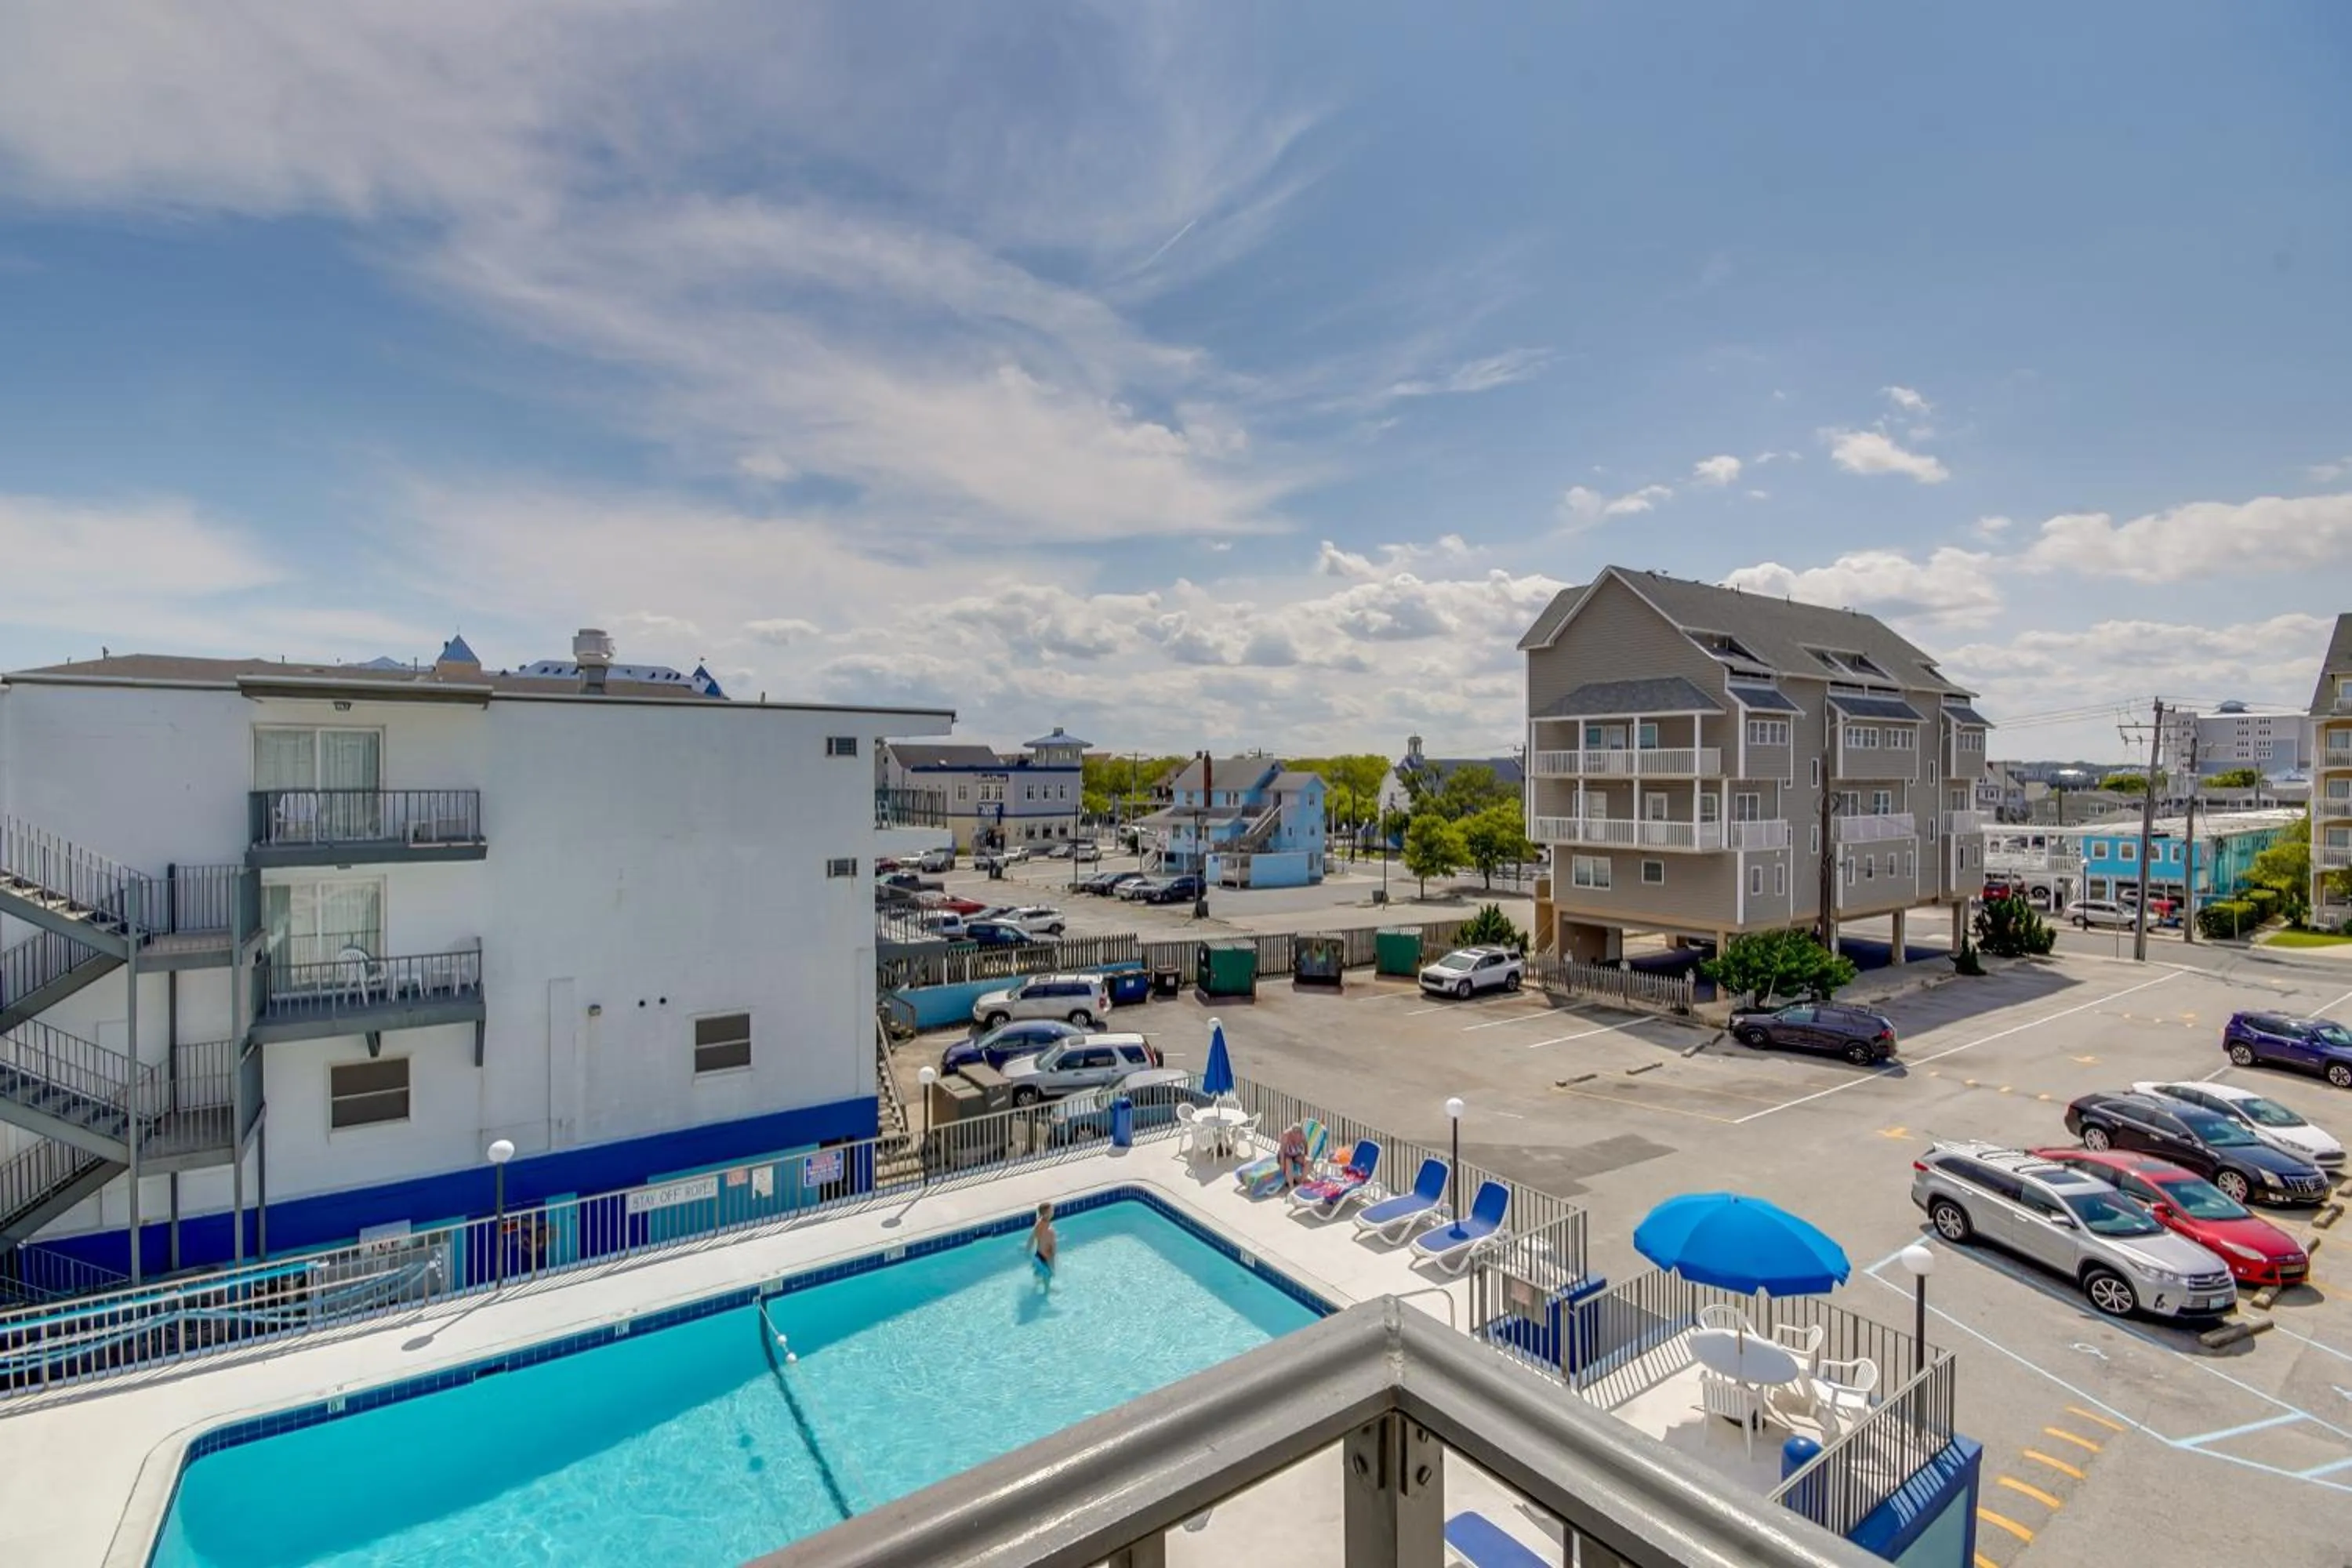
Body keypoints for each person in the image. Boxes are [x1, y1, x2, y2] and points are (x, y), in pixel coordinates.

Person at [1029, 1200, 1058, 1287]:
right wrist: (1052, 1267)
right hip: (1045, 1258)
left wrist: (1027, 1249)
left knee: (1037, 1276)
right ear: (1046, 1214)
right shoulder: (1050, 1231)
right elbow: (1052, 1251)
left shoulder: (1039, 1223)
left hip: (1037, 1256)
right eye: (1051, 1210)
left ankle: (1035, 1288)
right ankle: (1046, 1292)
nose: (1053, 1212)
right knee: (1048, 1277)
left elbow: (1032, 1237)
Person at [1276, 1123, 1310, 1189]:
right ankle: (1291, 1187)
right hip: (1286, 1155)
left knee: (1309, 1161)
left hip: (1296, 1154)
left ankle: (1301, 1182)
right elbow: (1282, 1150)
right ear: (1292, 1132)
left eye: (1299, 1133)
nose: (1297, 1136)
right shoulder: (1286, 1135)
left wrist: (1306, 1155)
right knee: (1289, 1164)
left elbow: (1306, 1145)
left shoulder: (1302, 1136)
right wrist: (1282, 1164)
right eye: (1295, 1134)